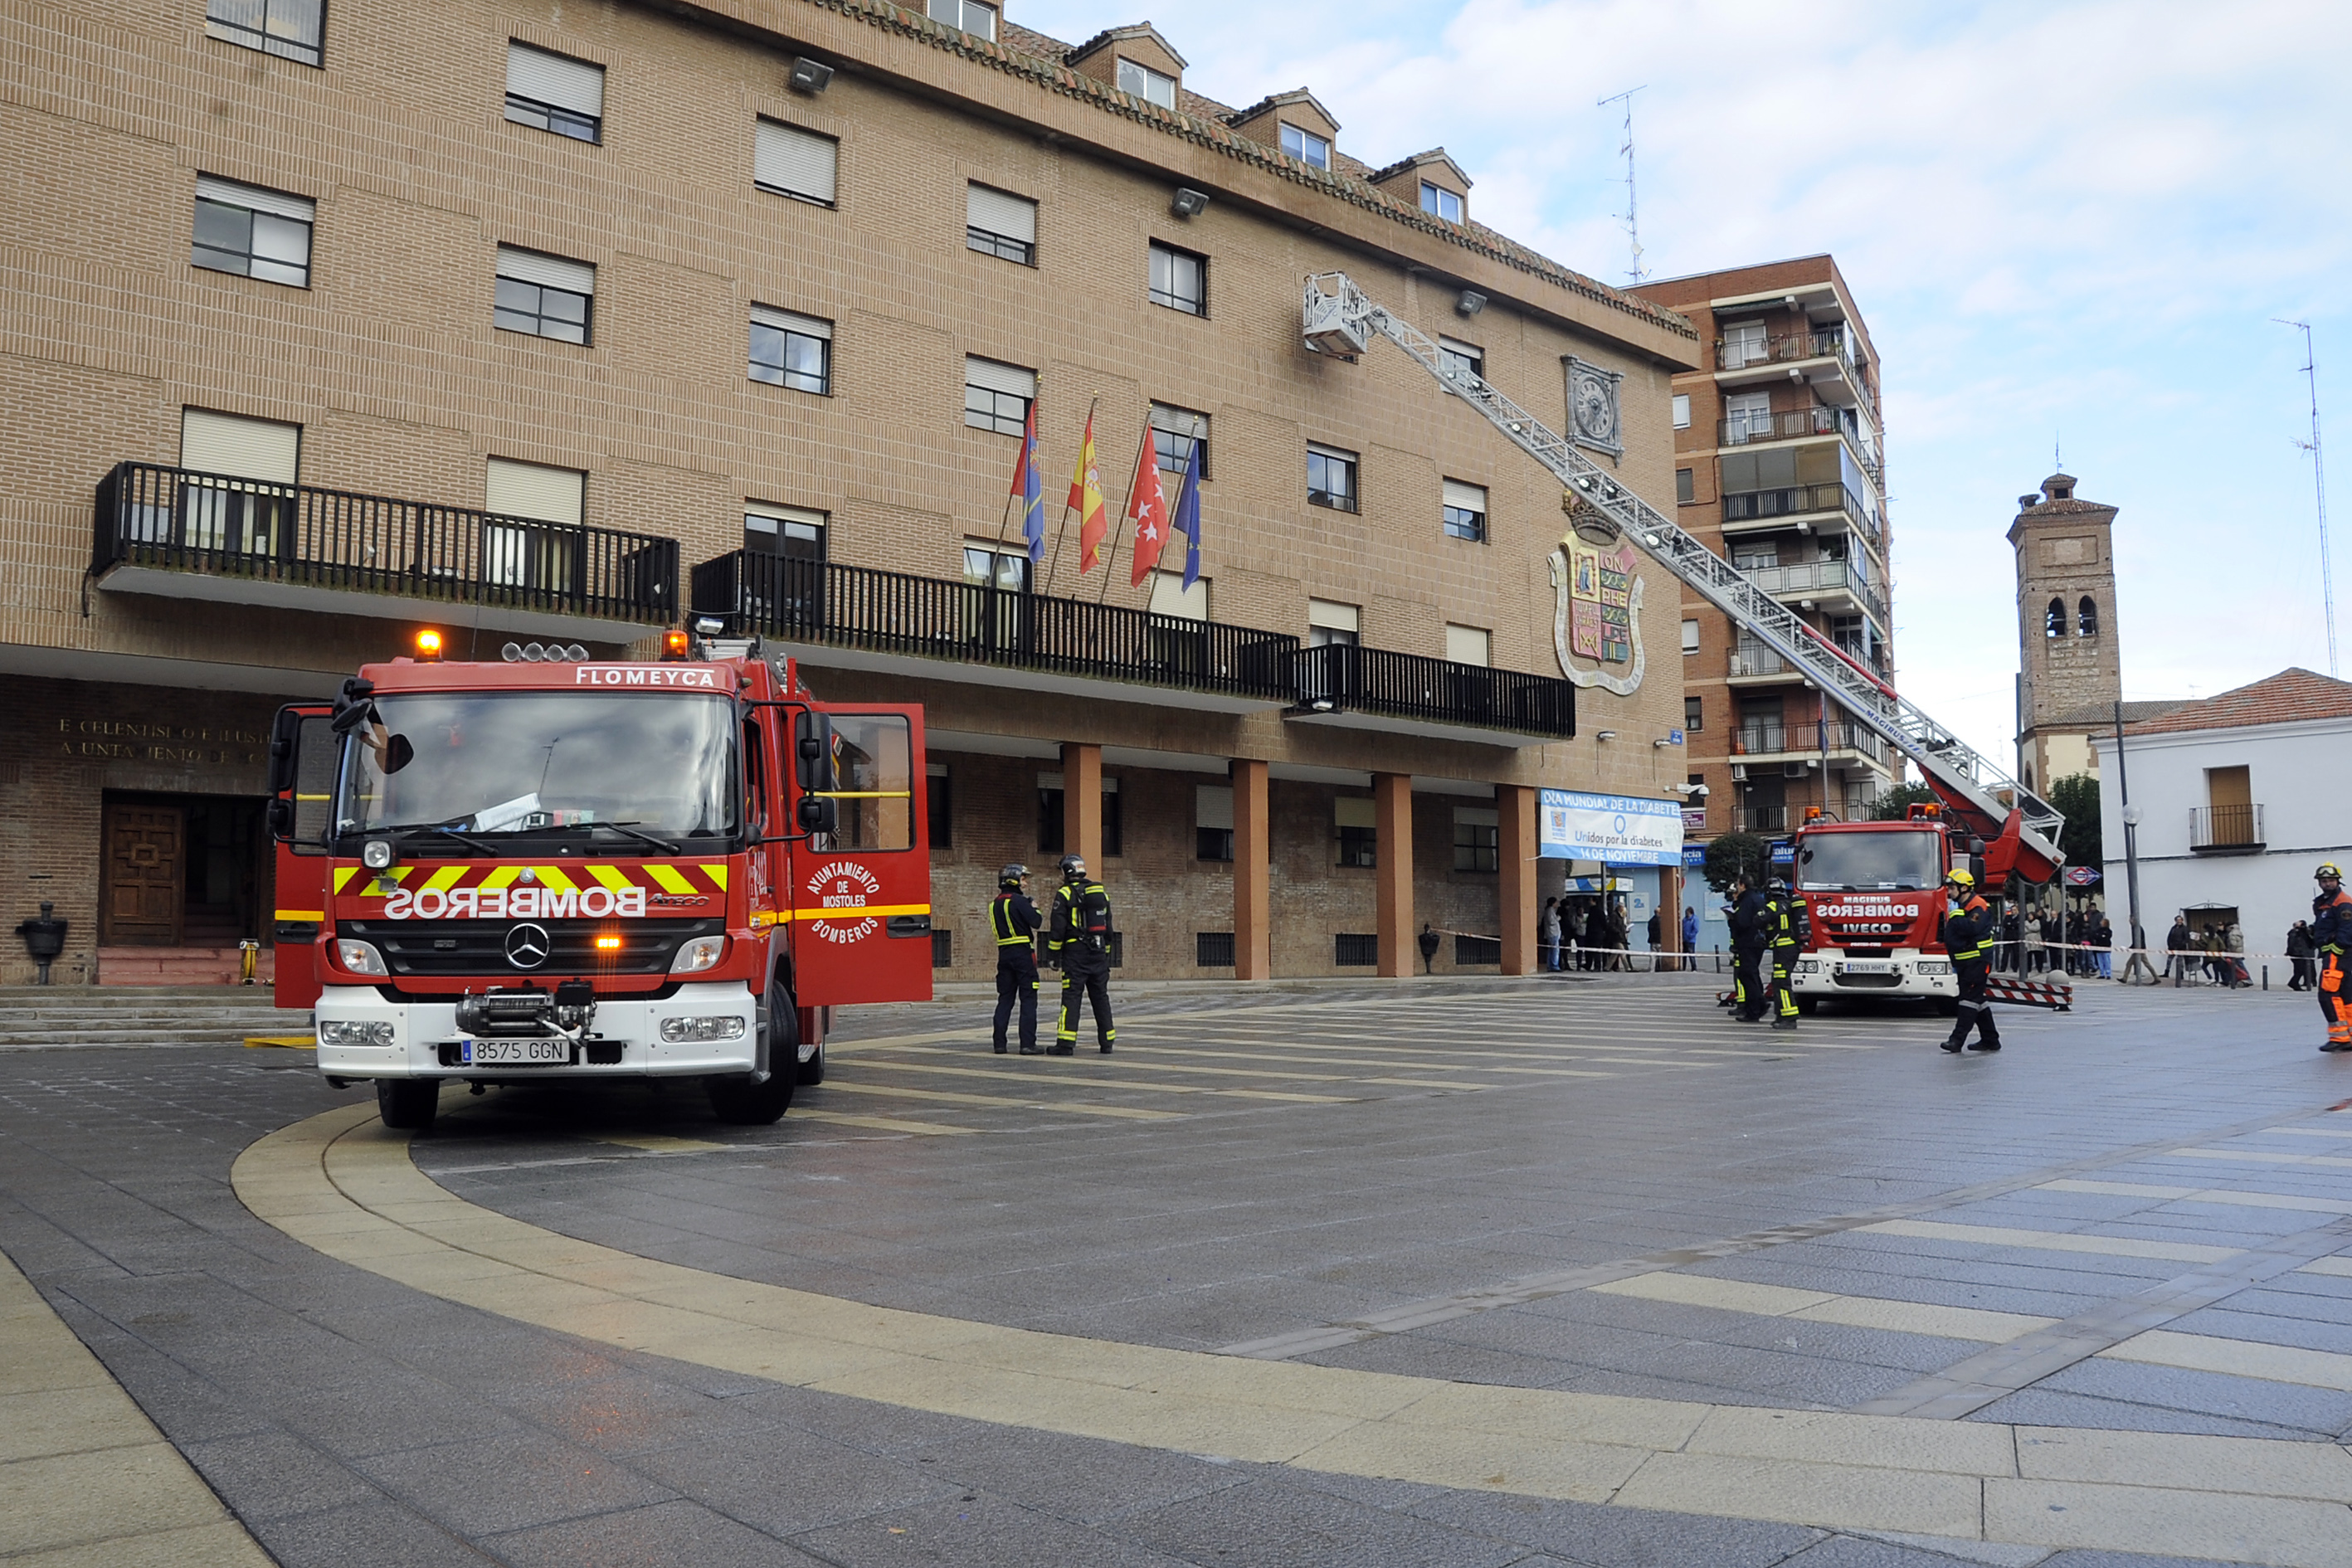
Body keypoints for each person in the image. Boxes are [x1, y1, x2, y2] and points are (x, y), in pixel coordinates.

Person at [1047, 854, 1116, 1054]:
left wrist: (1053, 955)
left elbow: (1058, 928)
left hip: (1075, 953)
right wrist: (1105, 954)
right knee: (1101, 997)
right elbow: (1108, 928)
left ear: (1066, 871)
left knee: (1072, 996)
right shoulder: (1101, 894)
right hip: (1098, 953)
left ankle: (1066, 1044)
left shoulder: (1065, 893)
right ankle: (1107, 1042)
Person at [1940, 868, 2002, 1053]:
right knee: (1978, 1001)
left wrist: (1956, 916)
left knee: (1968, 1001)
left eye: (1952, 888)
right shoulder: (1962, 907)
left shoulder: (1977, 905)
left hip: (1977, 962)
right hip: (1965, 963)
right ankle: (1990, 1040)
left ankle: (1956, 1040)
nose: (1949, 892)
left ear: (1965, 888)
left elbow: (1972, 928)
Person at [988, 864, 1043, 1054]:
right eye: (1023, 879)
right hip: (1023, 955)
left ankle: (999, 1044)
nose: (1025, 883)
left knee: (1005, 999)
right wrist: (1035, 908)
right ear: (1013, 880)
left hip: (1004, 955)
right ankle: (1027, 1044)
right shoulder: (1019, 901)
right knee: (1028, 999)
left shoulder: (994, 904)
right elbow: (1036, 922)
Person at [2313, 864, 2351, 1052]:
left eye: (2330, 880)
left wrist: (2335, 949)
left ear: (2338, 881)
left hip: (2337, 956)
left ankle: (2340, 1038)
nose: (2327, 884)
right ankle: (2348, 1036)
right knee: (2346, 996)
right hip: (2336, 955)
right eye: (2324, 881)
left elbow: (2348, 930)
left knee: (2328, 994)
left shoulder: (2342, 902)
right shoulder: (2323, 903)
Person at [1727, 873, 1767, 1022]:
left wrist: (1732, 920)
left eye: (1738, 884)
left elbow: (1742, 923)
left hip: (1747, 943)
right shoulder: (1759, 899)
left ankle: (1756, 1008)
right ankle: (1758, 1005)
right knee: (1753, 974)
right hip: (1758, 943)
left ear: (1742, 885)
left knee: (1746, 975)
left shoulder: (1746, 901)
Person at [1763, 876, 1801, 1030]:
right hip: (1792, 948)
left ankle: (1789, 1018)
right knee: (1779, 982)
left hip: (1783, 950)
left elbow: (1759, 920)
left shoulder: (1773, 905)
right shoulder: (1790, 904)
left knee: (1782, 983)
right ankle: (1781, 1015)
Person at [2288, 920, 2317, 991]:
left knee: (2301, 970)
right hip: (2298, 953)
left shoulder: (2303, 932)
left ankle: (2295, 983)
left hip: (2300, 953)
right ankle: (2293, 983)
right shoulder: (2295, 932)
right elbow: (2291, 944)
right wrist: (2290, 952)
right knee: (2299, 970)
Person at [2165, 914, 2192, 985]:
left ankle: (2181, 975)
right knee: (2169, 960)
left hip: (2181, 948)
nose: (2178, 921)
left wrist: (2180, 945)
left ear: (2182, 921)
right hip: (2172, 948)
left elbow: (2186, 939)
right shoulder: (2173, 928)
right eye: (2177, 920)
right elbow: (2169, 937)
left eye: (2180, 920)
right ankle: (2166, 973)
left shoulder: (2185, 928)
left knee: (2180, 962)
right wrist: (2170, 945)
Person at [1540, 897, 1561, 973]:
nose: (1557, 904)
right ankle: (1554, 965)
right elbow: (1551, 922)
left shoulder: (1550, 910)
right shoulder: (1550, 911)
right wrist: (1558, 918)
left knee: (1551, 950)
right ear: (1553, 903)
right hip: (1552, 933)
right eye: (1556, 902)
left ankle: (1551, 965)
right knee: (1555, 950)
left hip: (1553, 933)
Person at [2093, 913, 2113, 981]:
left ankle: (2108, 974)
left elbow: (2106, 937)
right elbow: (2096, 936)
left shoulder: (2108, 931)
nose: (2100, 923)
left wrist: (2101, 936)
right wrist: (2100, 936)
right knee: (2100, 962)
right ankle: (2102, 974)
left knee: (2107, 961)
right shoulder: (2098, 930)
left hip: (2106, 948)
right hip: (2098, 948)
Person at [1682, 905, 1700, 972]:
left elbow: (1696, 929)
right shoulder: (1684, 920)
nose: (1687, 914)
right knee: (1684, 955)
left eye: (1688, 913)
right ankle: (1683, 968)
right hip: (1684, 940)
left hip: (1691, 940)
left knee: (1691, 955)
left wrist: (1690, 935)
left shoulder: (1694, 919)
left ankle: (1694, 968)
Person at [1645, 908, 1663, 972]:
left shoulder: (1651, 921)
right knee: (1660, 956)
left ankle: (1652, 969)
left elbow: (1649, 931)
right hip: (1659, 941)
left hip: (1653, 941)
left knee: (1653, 957)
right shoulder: (1661, 921)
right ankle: (1660, 968)